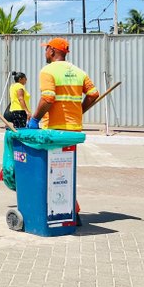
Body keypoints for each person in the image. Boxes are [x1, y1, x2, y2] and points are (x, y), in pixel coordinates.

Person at [27, 37, 99, 225]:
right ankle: (72, 212)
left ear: (52, 51)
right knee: (66, 170)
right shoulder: (78, 71)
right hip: (73, 130)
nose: (45, 53)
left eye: (46, 49)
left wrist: (35, 119)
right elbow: (93, 94)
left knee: (52, 172)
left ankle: (60, 212)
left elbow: (48, 98)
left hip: (54, 131)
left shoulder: (48, 70)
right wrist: (79, 111)